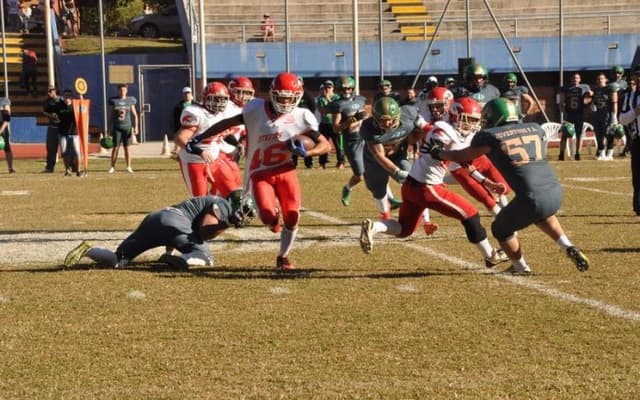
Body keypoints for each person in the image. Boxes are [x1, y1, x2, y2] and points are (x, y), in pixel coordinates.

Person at [185, 72, 331, 270]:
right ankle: (273, 220)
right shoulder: (255, 109)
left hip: (286, 170)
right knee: (268, 216)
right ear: (272, 94)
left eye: (291, 97)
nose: (287, 102)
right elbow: (227, 123)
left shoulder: (301, 116)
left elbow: (325, 145)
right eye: (282, 97)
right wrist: (201, 136)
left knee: (293, 216)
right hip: (260, 172)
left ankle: (283, 256)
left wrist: (308, 153)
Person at [430, 97, 590, 275]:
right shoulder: (535, 128)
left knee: (500, 228)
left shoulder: (490, 136)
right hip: (555, 191)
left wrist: (440, 153)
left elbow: (462, 157)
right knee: (543, 215)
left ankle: (520, 267)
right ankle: (568, 246)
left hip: (531, 197)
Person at [359, 97, 509, 269]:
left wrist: (486, 182)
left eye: (475, 121)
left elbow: (461, 162)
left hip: (412, 185)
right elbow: (438, 150)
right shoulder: (444, 130)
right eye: (469, 120)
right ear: (456, 116)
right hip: (427, 186)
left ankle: (375, 227)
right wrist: (444, 152)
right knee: (470, 214)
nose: (473, 124)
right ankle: (491, 255)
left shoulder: (451, 131)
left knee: (404, 229)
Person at [63, 194, 255, 270]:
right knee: (206, 257)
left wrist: (169, 251)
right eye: (246, 210)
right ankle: (184, 260)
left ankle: (87, 250)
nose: (247, 216)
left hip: (156, 218)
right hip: (174, 221)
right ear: (237, 204)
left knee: (116, 261)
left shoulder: (210, 200)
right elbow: (204, 231)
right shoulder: (222, 205)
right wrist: (227, 223)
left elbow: (180, 230)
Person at [360, 96, 439, 233]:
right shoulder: (368, 128)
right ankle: (385, 214)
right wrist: (396, 171)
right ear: (376, 118)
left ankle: (426, 221)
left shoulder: (409, 113)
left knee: (417, 183)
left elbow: (416, 132)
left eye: (391, 118)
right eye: (384, 120)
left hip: (398, 155)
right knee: (378, 188)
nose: (389, 123)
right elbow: (379, 155)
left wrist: (423, 129)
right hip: (374, 161)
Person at [175, 81, 243, 198]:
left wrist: (237, 144)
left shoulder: (221, 114)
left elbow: (225, 134)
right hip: (194, 161)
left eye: (223, 100)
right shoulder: (196, 113)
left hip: (214, 160)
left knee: (231, 192)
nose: (220, 103)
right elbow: (180, 138)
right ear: (206, 98)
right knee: (201, 200)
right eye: (216, 99)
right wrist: (200, 152)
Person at [329, 76, 368, 206]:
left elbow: (365, 117)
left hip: (366, 139)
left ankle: (389, 199)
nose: (347, 91)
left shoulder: (361, 99)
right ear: (339, 89)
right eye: (344, 89)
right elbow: (336, 128)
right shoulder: (338, 105)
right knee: (360, 175)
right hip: (352, 142)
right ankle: (348, 188)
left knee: (376, 172)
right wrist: (350, 120)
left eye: (349, 88)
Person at [619, 66, 640, 215]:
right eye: (638, 76)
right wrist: (635, 112)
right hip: (637, 140)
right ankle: (638, 206)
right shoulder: (629, 97)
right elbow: (622, 119)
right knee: (637, 175)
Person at [559, 73, 592, 161]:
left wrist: (589, 98)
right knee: (564, 135)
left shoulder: (584, 87)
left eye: (577, 78)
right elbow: (561, 102)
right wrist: (564, 113)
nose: (575, 79)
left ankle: (578, 153)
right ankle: (561, 154)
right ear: (571, 79)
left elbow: (590, 96)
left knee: (579, 135)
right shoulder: (566, 88)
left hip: (579, 114)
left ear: (580, 79)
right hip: (569, 114)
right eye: (573, 78)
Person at [107, 84, 138, 173]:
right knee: (115, 148)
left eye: (124, 90)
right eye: (121, 90)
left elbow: (135, 115)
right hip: (117, 127)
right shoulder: (114, 101)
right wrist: (109, 128)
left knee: (127, 148)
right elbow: (111, 116)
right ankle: (112, 166)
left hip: (127, 127)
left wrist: (136, 127)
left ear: (127, 91)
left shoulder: (130, 100)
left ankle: (128, 166)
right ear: (118, 90)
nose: (122, 91)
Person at [589, 72, 620, 160]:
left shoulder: (610, 88)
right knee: (599, 135)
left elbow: (614, 103)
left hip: (607, 114)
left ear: (605, 80)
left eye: (601, 79)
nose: (600, 80)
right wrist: (592, 105)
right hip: (598, 115)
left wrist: (614, 116)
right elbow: (594, 102)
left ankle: (609, 154)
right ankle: (601, 153)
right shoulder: (596, 90)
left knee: (609, 134)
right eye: (598, 79)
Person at [316, 80, 342, 169]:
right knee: (323, 143)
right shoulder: (320, 99)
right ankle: (322, 163)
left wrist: (328, 99)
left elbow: (336, 109)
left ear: (333, 88)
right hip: (324, 124)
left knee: (338, 144)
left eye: (329, 87)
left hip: (335, 124)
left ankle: (340, 162)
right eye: (326, 87)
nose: (327, 89)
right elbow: (321, 110)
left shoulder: (337, 97)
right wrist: (330, 110)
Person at [57, 89, 82, 176]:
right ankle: (68, 170)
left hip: (74, 133)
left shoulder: (75, 106)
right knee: (64, 152)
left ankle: (78, 170)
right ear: (63, 97)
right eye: (65, 95)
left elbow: (83, 110)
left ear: (72, 97)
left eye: (69, 95)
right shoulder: (59, 106)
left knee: (77, 152)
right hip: (63, 133)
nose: (67, 97)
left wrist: (81, 98)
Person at [42, 86, 65, 173]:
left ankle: (72, 167)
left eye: (50, 91)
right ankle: (49, 167)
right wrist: (50, 115)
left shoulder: (62, 100)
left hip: (62, 127)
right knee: (51, 148)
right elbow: (44, 111)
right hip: (52, 127)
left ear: (55, 91)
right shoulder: (47, 102)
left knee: (66, 148)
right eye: (48, 92)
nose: (49, 93)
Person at [0, 97, 16, 174]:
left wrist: (1, 130)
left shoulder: (4, 101)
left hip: (2, 129)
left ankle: (10, 168)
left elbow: (7, 119)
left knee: (7, 148)